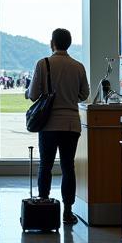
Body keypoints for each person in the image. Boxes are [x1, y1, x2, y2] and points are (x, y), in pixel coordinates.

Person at [27, 28, 89, 225]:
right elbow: (84, 94)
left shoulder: (43, 64)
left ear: (52, 42)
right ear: (68, 44)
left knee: (45, 165)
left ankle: (44, 205)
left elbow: (33, 94)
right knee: (68, 167)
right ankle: (68, 211)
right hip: (71, 124)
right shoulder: (78, 66)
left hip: (49, 123)